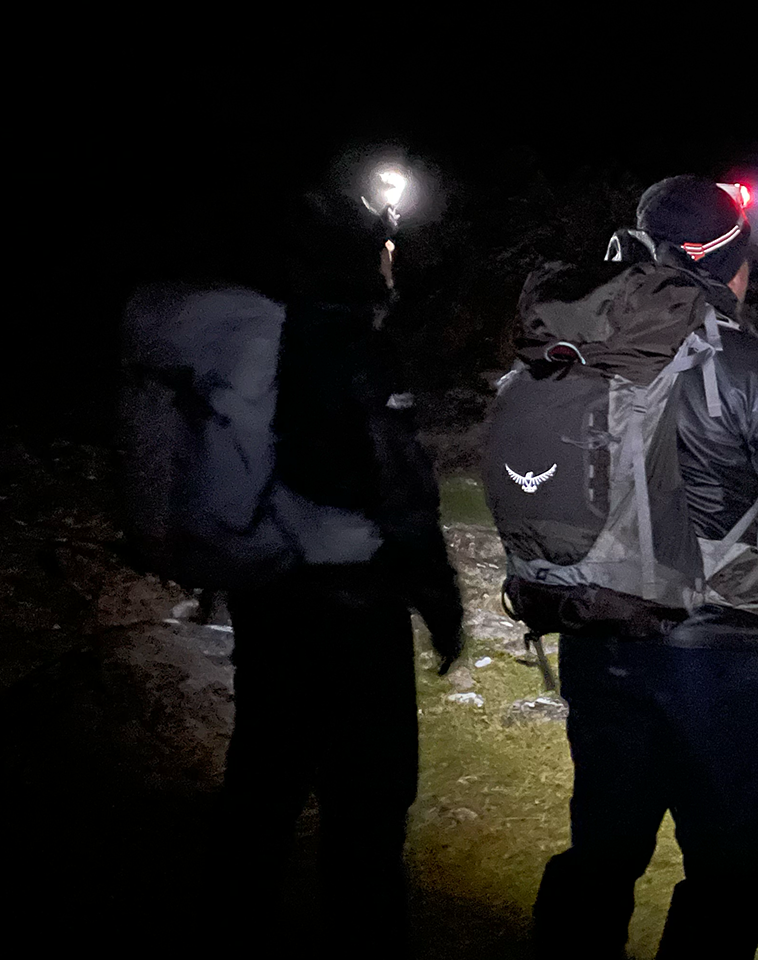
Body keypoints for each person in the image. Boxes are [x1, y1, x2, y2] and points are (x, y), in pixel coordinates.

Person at [530, 176, 758, 959]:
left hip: (594, 633)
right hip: (710, 650)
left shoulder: (577, 351)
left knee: (601, 848)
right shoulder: (746, 363)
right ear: (729, 264)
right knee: (731, 865)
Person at [215, 169, 463, 959]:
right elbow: (400, 486)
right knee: (368, 804)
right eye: (383, 249)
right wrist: (439, 600)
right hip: (355, 607)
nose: (393, 260)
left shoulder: (262, 338)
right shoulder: (356, 348)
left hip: (269, 596)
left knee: (263, 779)